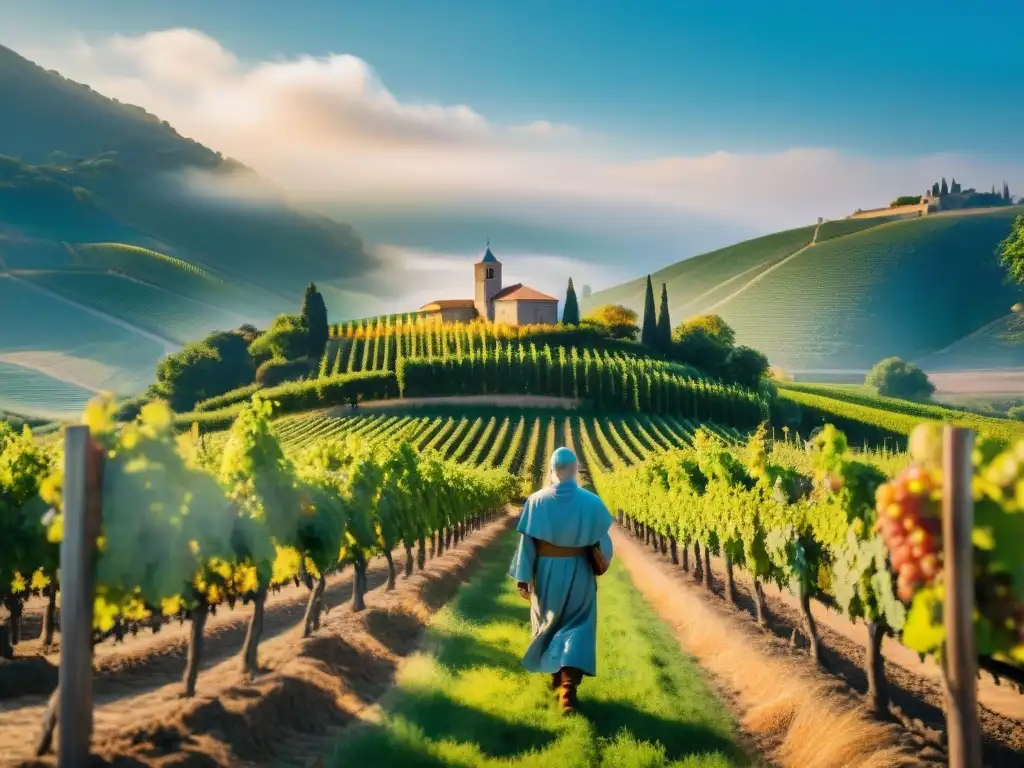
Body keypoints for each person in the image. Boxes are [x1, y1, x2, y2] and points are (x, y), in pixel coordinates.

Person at [507, 446, 614, 714]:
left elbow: (527, 544)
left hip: (546, 573)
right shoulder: (591, 502)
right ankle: (567, 688)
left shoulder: (536, 501)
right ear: (575, 468)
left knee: (549, 623)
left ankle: (558, 681)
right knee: (578, 626)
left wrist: (523, 577)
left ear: (552, 469)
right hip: (579, 571)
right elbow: (604, 542)